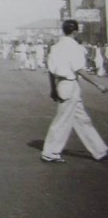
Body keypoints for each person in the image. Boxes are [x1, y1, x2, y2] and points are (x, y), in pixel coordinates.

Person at [41, 19, 108, 163]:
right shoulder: (73, 47)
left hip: (61, 84)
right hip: (70, 84)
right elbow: (80, 70)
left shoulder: (56, 46)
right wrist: (98, 84)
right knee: (62, 120)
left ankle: (99, 149)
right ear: (75, 31)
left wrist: (53, 89)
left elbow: (51, 71)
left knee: (82, 119)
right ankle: (50, 152)